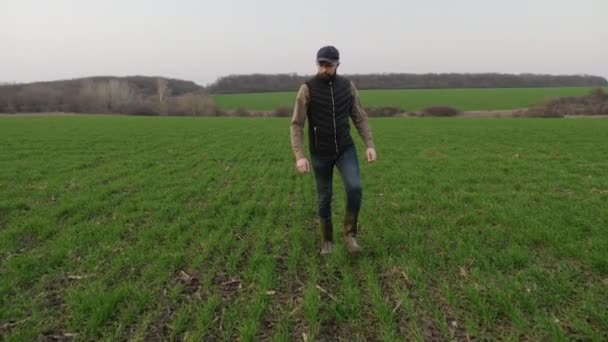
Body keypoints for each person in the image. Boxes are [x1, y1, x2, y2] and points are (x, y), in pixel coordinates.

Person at [290, 45, 377, 255]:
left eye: (328, 65)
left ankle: (350, 236)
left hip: (345, 148)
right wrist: (300, 155)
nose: (323, 68)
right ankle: (327, 241)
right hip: (320, 151)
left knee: (355, 188)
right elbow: (297, 124)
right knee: (324, 197)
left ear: (337, 65)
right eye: (320, 64)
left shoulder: (348, 87)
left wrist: (369, 144)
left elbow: (359, 117)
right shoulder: (307, 89)